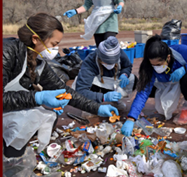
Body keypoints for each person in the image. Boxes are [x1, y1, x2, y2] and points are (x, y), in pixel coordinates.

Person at [4, 14, 116, 161]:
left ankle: (12, 157)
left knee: (48, 116)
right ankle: (10, 165)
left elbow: (65, 91)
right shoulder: (7, 52)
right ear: (35, 39)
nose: (56, 49)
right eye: (53, 44)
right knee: (27, 118)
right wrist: (38, 97)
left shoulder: (38, 61)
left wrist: (97, 108)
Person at [122, 36, 187, 133]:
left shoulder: (183, 51)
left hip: (183, 81)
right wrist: (131, 118)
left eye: (159, 64)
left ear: (168, 57)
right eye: (153, 65)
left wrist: (185, 68)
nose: (156, 68)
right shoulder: (148, 66)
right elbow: (143, 92)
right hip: (165, 83)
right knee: (143, 86)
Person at [74, 36, 133, 116]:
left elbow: (127, 66)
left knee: (132, 79)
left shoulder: (120, 53)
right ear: (100, 58)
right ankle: (90, 105)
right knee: (81, 86)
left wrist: (124, 74)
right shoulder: (90, 61)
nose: (110, 65)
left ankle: (116, 101)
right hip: (97, 84)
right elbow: (81, 90)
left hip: (111, 82)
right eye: (106, 62)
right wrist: (103, 97)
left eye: (113, 63)